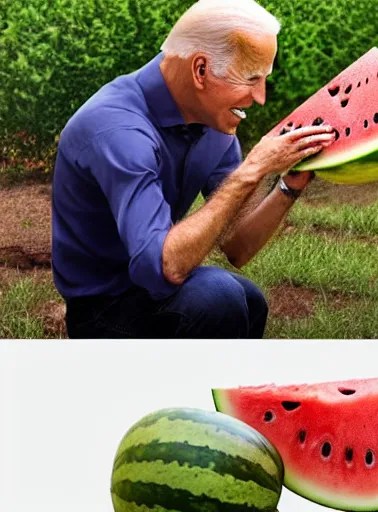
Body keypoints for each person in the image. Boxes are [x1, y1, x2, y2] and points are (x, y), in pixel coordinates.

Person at [51, 0, 335, 339]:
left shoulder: (210, 121)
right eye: (250, 78)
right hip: (102, 309)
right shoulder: (119, 131)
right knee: (218, 297)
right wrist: (252, 169)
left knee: (251, 299)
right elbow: (161, 268)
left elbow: (237, 246)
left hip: (150, 291)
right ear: (200, 70)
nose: (260, 97)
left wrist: (289, 186)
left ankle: (217, 390)